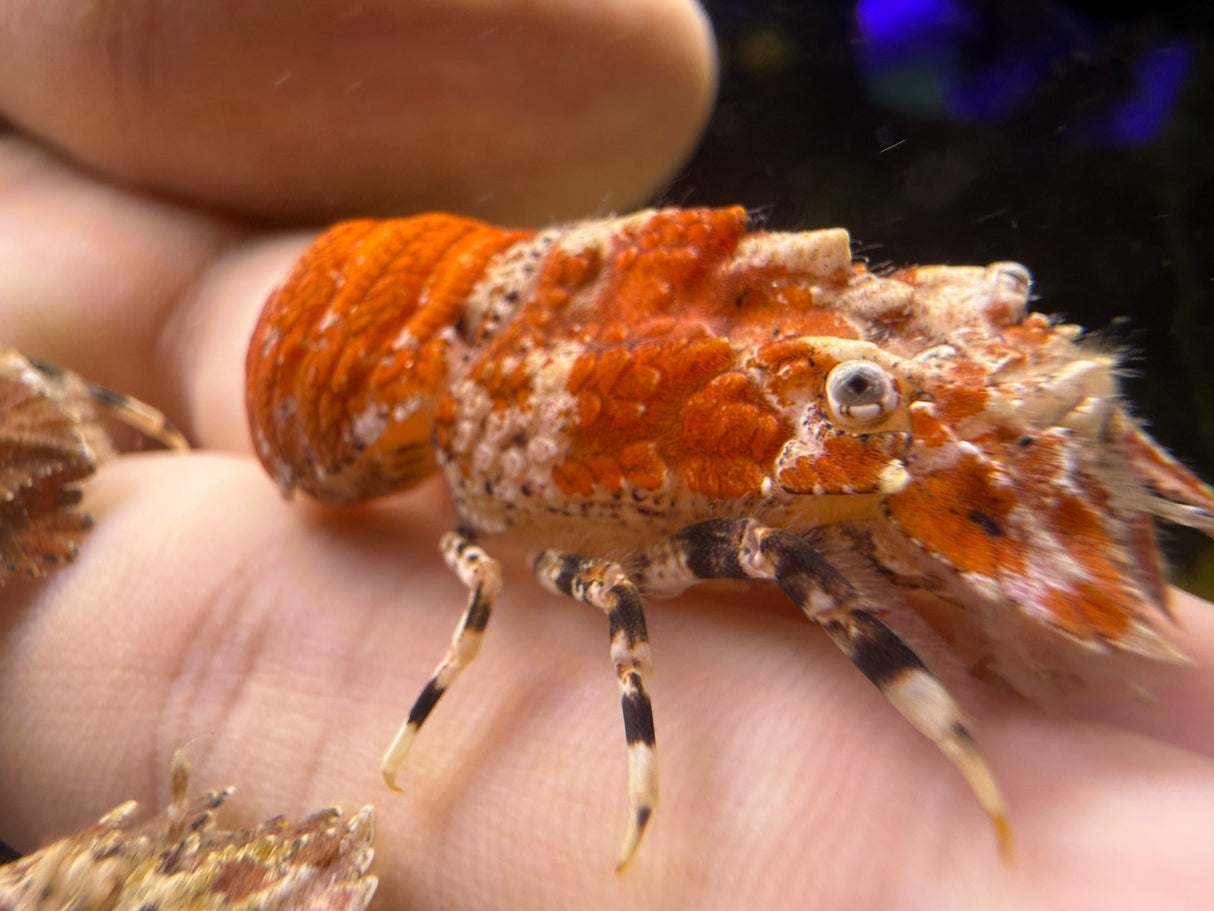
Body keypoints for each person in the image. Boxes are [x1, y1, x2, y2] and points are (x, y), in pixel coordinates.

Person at [0, 2, 1210, 907]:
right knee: (807, 497)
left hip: (435, 297)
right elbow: (780, 541)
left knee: (866, 377)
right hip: (324, 385)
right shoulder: (504, 442)